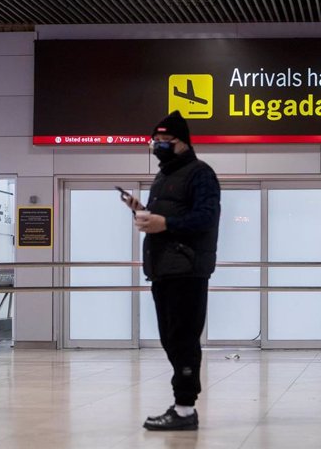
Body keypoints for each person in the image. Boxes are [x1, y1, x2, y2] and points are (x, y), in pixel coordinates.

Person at [123, 110, 220, 431]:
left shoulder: (200, 173)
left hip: (187, 270)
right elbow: (167, 218)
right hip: (162, 269)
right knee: (170, 339)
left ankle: (184, 409)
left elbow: (206, 217)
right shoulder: (163, 178)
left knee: (183, 340)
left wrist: (165, 222)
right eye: (157, 141)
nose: (160, 146)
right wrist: (144, 211)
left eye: (168, 140)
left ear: (184, 143)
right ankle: (182, 407)